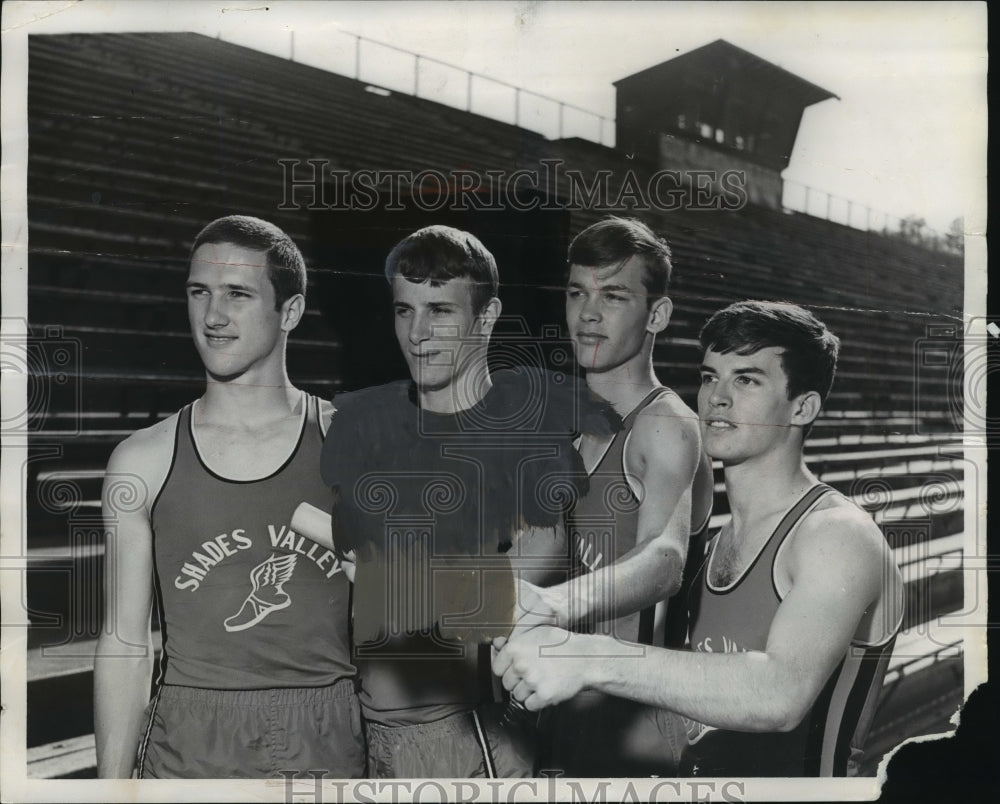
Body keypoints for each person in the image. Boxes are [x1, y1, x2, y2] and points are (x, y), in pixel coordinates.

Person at [494, 300, 904, 777]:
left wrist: (589, 658)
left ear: (803, 407)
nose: (717, 398)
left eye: (746, 380)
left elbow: (780, 694)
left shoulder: (835, 535)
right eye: (711, 377)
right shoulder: (714, 548)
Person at [320, 225, 616, 779]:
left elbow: (524, 587)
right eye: (404, 310)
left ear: (486, 316)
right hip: (363, 731)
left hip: (466, 737)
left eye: (439, 310)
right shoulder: (373, 432)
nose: (417, 333)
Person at [93, 216, 363, 779]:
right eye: (200, 292)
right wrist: (111, 792)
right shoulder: (142, 460)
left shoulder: (353, 445)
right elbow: (124, 644)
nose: (213, 316)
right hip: (190, 741)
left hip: (326, 734)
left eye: (238, 294)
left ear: (289, 311)